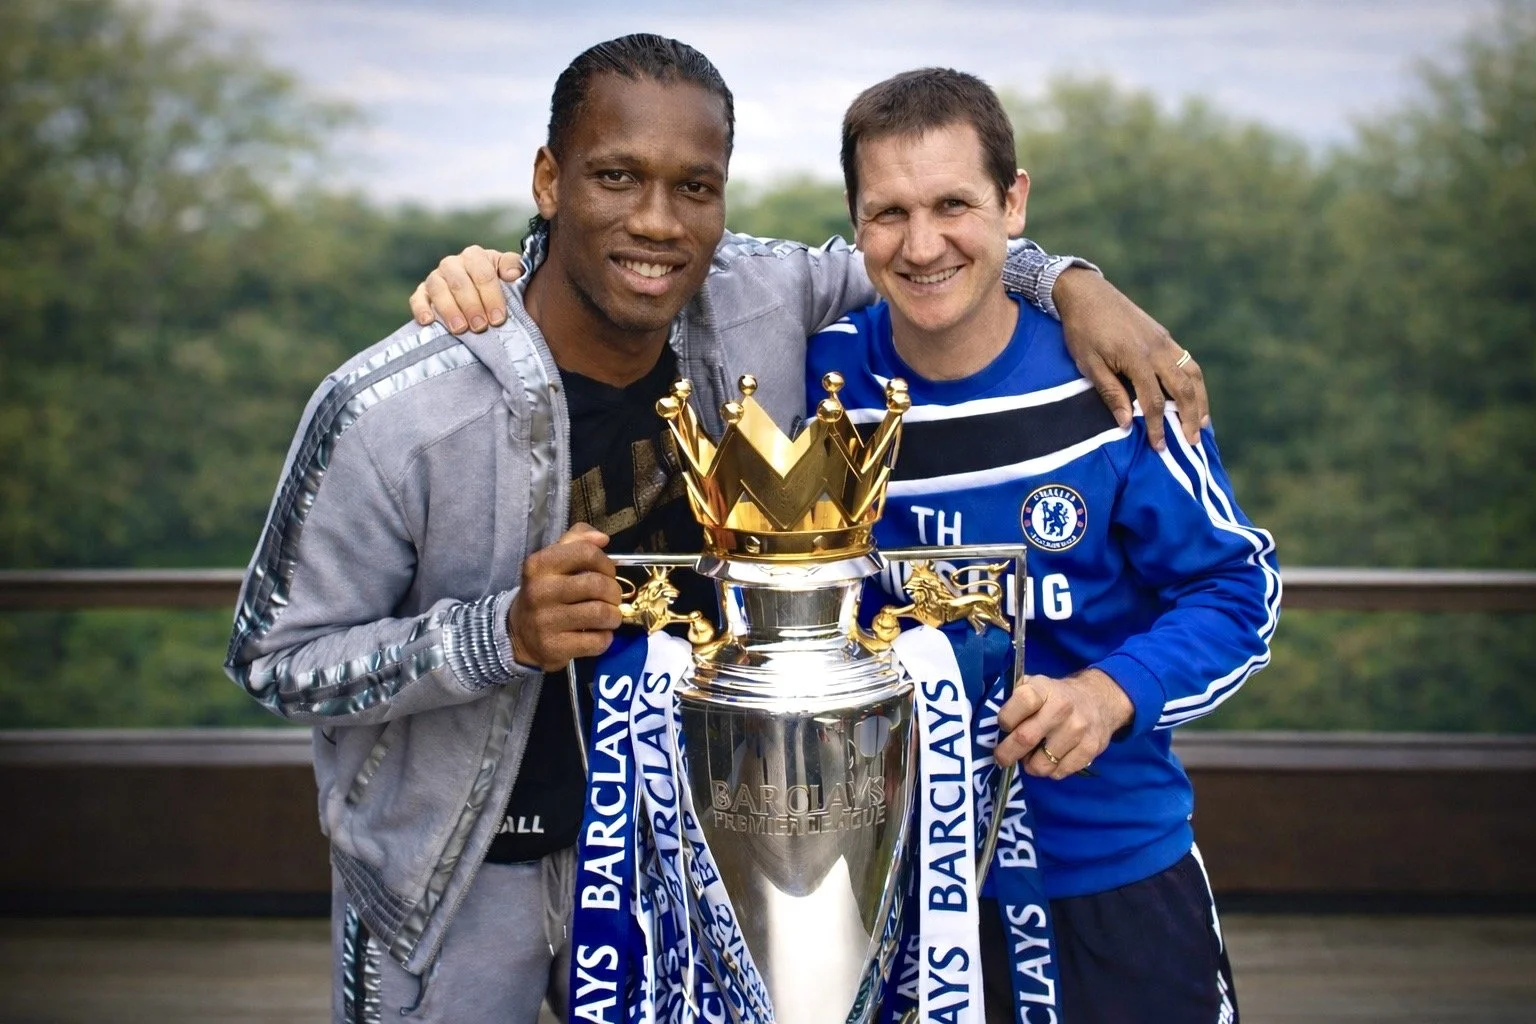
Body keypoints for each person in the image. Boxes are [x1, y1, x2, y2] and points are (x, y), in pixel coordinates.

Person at [231, 35, 1204, 1024]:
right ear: (548, 179)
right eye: (616, 177)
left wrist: (1079, 287)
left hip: (690, 882)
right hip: (464, 886)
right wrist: (500, 635)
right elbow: (275, 660)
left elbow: (931, 249)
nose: (658, 221)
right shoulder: (395, 408)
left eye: (696, 187)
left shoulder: (756, 300)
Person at [798, 68, 1280, 1022]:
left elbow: (1239, 592)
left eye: (953, 204)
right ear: (854, 224)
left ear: (1014, 203)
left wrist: (1107, 695)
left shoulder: (1115, 382)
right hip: (896, 891)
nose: (922, 243)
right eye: (888, 212)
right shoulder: (822, 379)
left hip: (1110, 869)